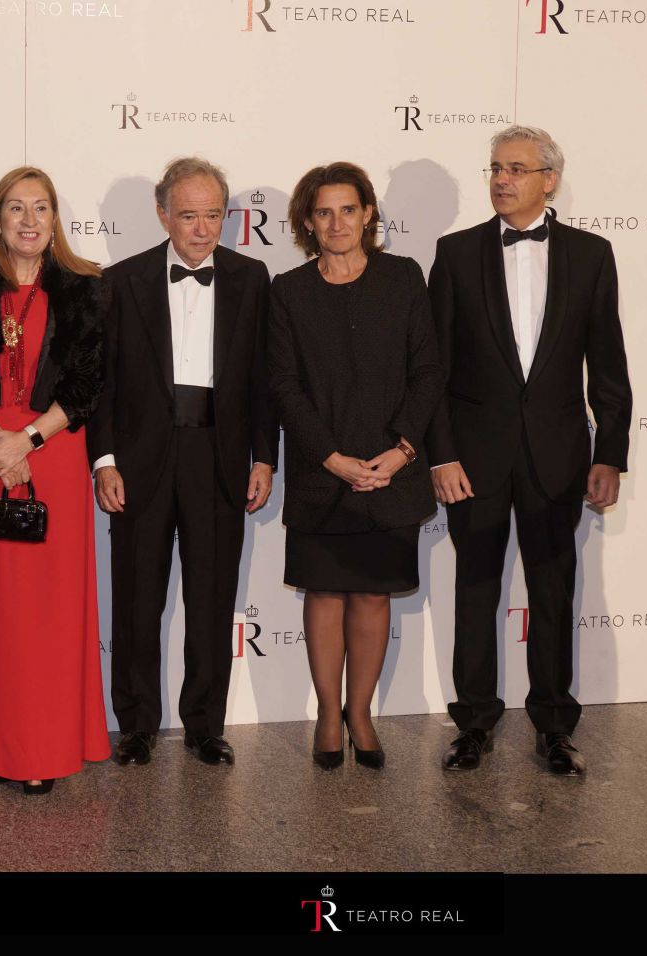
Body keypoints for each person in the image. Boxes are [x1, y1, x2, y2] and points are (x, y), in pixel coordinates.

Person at [428, 125, 632, 775]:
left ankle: (553, 724)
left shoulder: (591, 254)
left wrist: (611, 453)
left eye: (516, 169)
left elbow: (608, 365)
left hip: (558, 453)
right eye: (493, 168)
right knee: (475, 590)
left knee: (552, 590)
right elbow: (432, 369)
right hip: (474, 456)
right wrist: (440, 454)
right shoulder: (455, 254)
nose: (501, 180)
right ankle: (475, 723)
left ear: (550, 180)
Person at [88, 157, 275, 767]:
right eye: (189, 215)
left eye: (213, 214)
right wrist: (104, 461)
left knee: (212, 597)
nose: (201, 228)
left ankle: (204, 725)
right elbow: (102, 385)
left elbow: (262, 382)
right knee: (138, 600)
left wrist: (264, 458)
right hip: (140, 460)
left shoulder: (253, 278)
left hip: (219, 455)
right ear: (163, 213)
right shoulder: (121, 281)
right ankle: (137, 725)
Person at [0, 166, 110, 795]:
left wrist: (26, 440)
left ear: (56, 217)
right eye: (15, 209)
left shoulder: (85, 290)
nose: (29, 221)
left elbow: (87, 384)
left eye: (41, 208)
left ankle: (38, 746)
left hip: (52, 455)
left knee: (44, 616)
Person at [270, 162, 443, 770]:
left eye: (348, 209)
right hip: (324, 473)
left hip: (392, 468)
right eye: (323, 212)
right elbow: (284, 387)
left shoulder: (402, 277)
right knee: (324, 594)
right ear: (307, 222)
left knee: (372, 597)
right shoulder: (287, 290)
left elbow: (427, 372)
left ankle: (361, 713)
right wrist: (332, 458)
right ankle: (326, 714)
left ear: (369, 213)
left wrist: (400, 453)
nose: (337, 222)